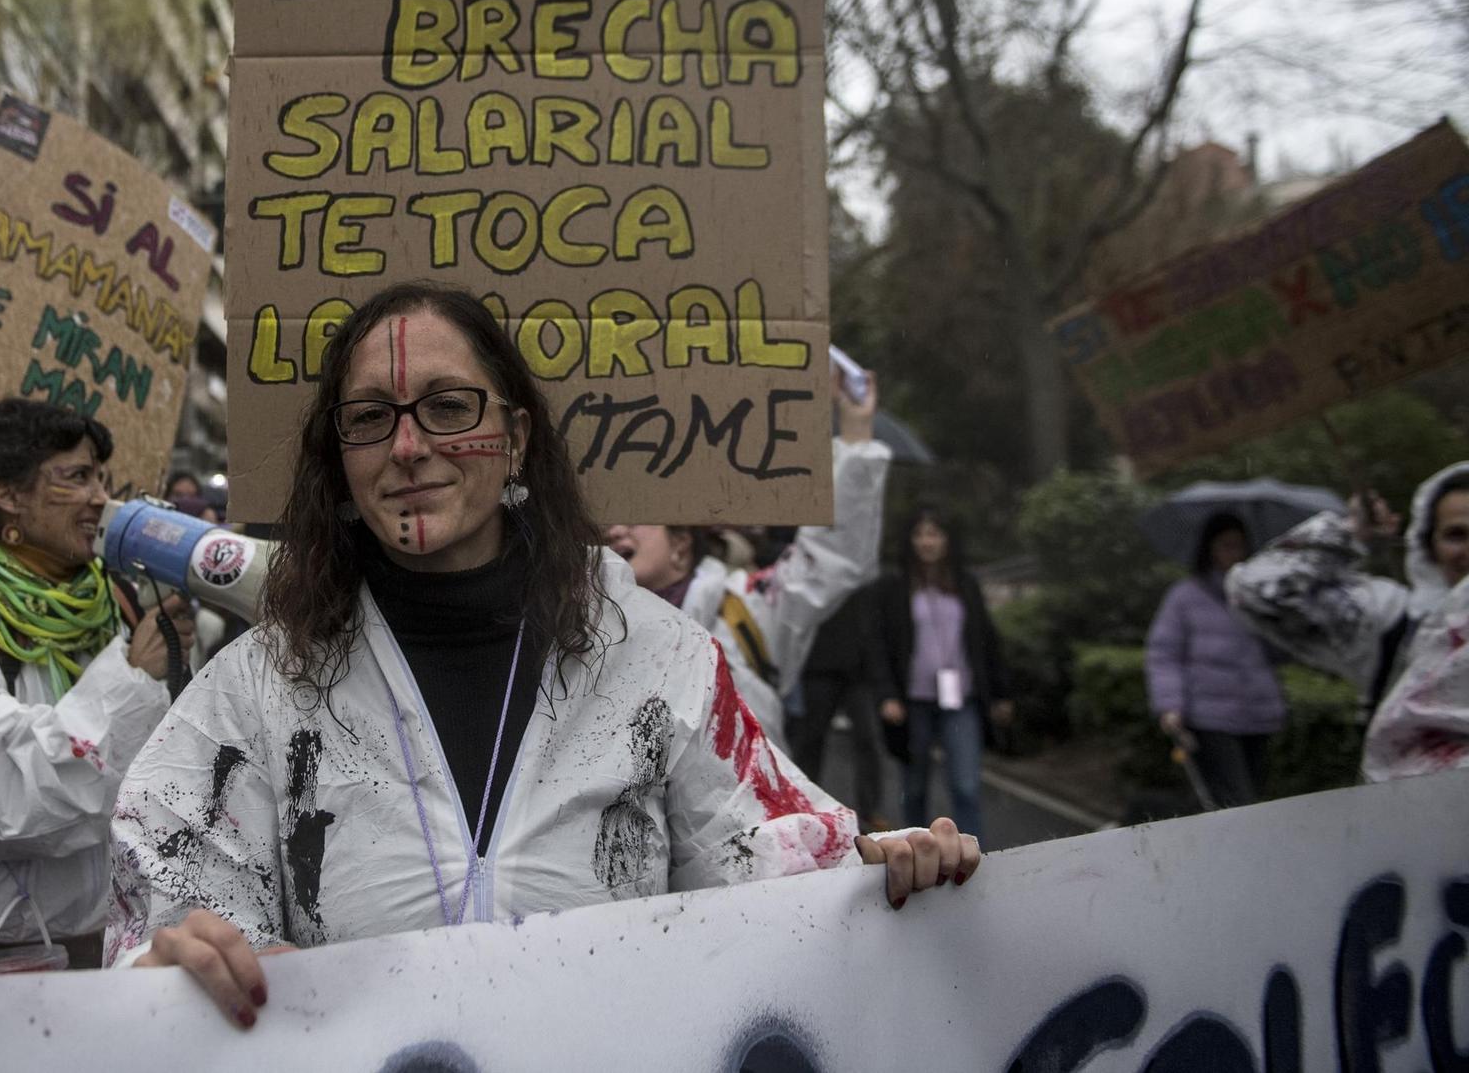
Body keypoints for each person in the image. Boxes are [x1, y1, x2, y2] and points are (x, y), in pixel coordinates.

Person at [106, 282, 978, 1028]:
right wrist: (167, 964)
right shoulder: (254, 688)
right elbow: (168, 915)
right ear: (338, 461)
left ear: (516, 437)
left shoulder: (658, 656)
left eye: (449, 407)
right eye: (371, 418)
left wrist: (879, 877)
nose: (410, 446)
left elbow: (771, 864)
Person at [0, 399, 191, 977]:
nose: (102, 498)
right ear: (9, 497)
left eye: (101, 477)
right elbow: (3, 801)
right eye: (76, 478)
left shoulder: (117, 604)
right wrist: (133, 681)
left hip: (112, 971)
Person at [603, 374, 890, 752]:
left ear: (681, 544)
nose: (616, 532)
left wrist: (855, 435)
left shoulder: (745, 610)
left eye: (635, 519)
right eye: (609, 521)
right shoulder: (589, 626)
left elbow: (831, 558)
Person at [1227, 463, 1469, 781]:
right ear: (1428, 546)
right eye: (1457, 535)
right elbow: (1257, 591)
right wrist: (1349, 531)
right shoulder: (1395, 619)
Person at [870, 508, 1013, 840]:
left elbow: (986, 639)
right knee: (915, 786)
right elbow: (878, 644)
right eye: (920, 534)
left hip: (961, 698)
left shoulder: (965, 583)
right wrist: (886, 694)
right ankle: (918, 853)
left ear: (947, 540)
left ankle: (971, 855)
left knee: (965, 785)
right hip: (913, 700)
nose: (926, 542)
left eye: (934, 534)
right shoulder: (894, 585)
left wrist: (1002, 693)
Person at [1143, 514, 1285, 808]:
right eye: (1226, 545)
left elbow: (1281, 652)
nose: (1234, 554)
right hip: (1210, 717)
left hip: (1258, 715)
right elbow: (1163, 654)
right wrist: (1171, 705)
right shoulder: (1185, 597)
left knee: (1249, 799)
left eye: (1240, 546)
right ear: (1209, 549)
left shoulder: (1259, 597)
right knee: (1237, 800)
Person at [788, 585, 889, 831]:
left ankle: (870, 811)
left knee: (869, 740)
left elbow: (875, 626)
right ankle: (803, 808)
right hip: (819, 666)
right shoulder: (819, 565)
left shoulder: (862, 572)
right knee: (811, 741)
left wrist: (881, 680)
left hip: (858, 670)